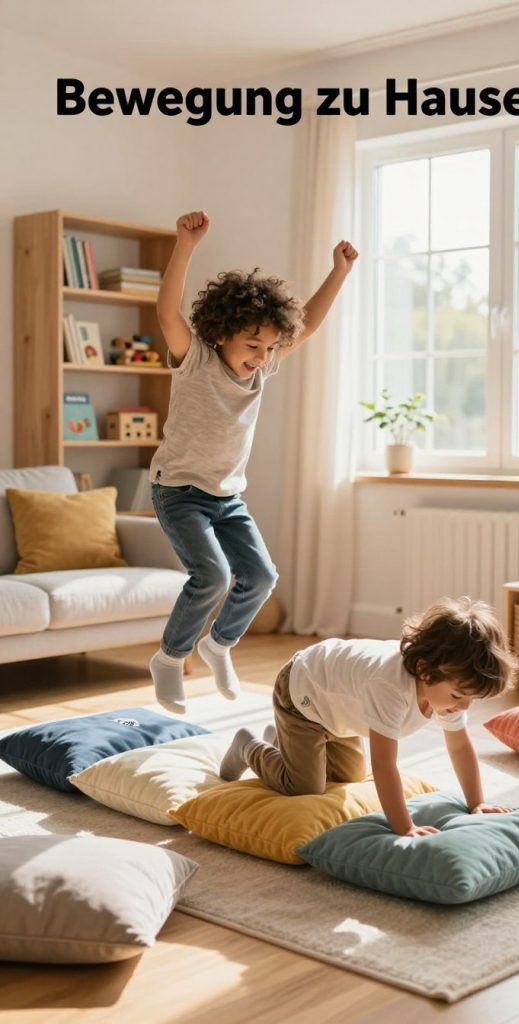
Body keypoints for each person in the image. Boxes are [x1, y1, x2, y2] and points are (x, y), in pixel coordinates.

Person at [149, 210, 358, 713]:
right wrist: (185, 245)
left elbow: (305, 323)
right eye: (252, 345)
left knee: (262, 576)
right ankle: (169, 659)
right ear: (222, 333)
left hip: (226, 496)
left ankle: (218, 643)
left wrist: (339, 273)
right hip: (178, 490)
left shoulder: (262, 370)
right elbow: (167, 312)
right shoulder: (195, 357)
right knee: (213, 576)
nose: (262, 356)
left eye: (268, 347)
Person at [219, 597, 519, 836]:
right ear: (425, 671)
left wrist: (477, 802)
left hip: (341, 709)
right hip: (304, 694)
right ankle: (249, 745)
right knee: (305, 787)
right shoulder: (390, 687)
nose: (465, 707)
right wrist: (404, 827)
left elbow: (459, 746)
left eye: (472, 699)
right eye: (459, 696)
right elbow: (384, 764)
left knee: (350, 775)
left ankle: (284, 743)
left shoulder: (445, 692)